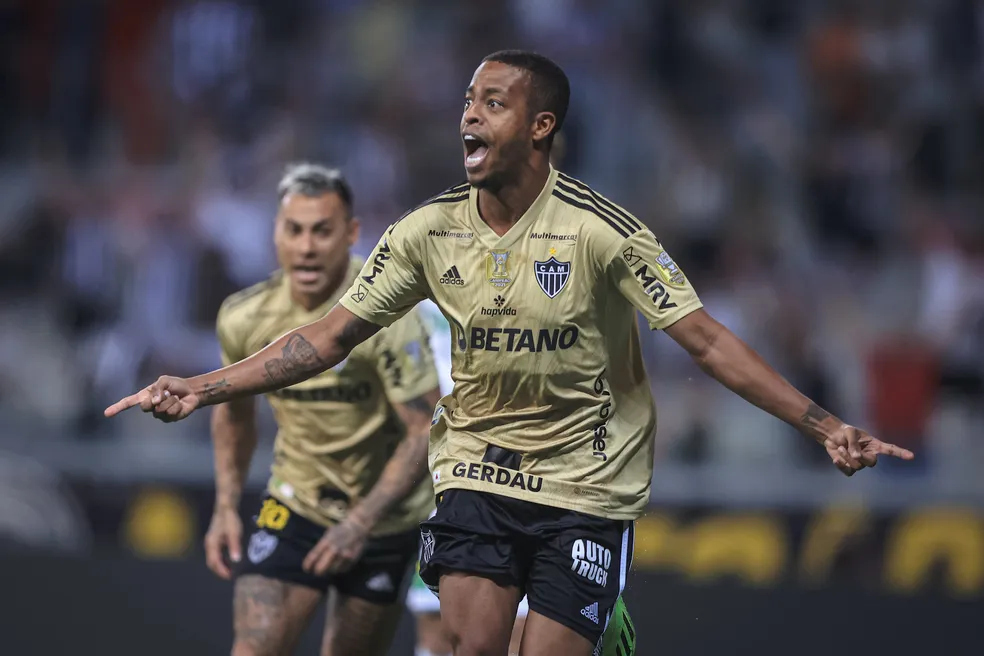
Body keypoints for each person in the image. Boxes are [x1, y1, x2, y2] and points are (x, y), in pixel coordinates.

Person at [106, 50, 915, 656]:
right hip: (475, 475)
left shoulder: (603, 230)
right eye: (466, 101)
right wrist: (204, 388)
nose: (468, 117)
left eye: (492, 103)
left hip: (586, 483)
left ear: (539, 126)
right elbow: (324, 339)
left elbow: (703, 340)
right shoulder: (427, 232)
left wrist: (821, 425)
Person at [200, 163, 442, 656]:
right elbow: (234, 414)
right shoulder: (245, 316)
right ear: (276, 235)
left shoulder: (386, 311)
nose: (307, 247)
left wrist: (362, 521)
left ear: (351, 234)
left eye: (322, 231)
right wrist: (225, 505)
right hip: (296, 502)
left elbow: (426, 429)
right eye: (295, 230)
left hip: (385, 517)